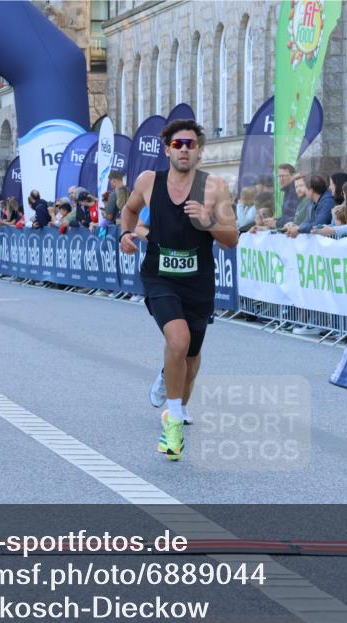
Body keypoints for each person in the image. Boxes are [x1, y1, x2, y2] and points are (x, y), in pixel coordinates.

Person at [119, 119, 238, 461]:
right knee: (178, 340)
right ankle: (172, 422)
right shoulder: (148, 181)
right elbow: (129, 210)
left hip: (199, 280)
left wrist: (208, 220)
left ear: (199, 151)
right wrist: (125, 234)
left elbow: (231, 239)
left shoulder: (215, 187)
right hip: (160, 276)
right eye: (177, 144)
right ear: (167, 149)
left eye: (190, 144)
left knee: (190, 355)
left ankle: (173, 387)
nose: (184, 149)